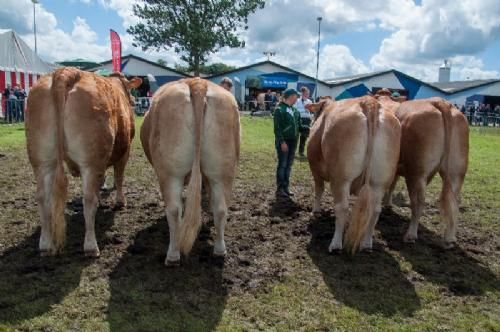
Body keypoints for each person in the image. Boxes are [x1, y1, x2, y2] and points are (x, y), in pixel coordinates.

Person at [273, 88, 300, 197]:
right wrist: (282, 142)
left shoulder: (295, 111)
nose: (297, 99)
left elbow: (299, 126)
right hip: (284, 141)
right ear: (291, 96)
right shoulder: (279, 109)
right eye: (296, 96)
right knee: (283, 165)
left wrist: (309, 129)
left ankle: (286, 187)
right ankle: (280, 188)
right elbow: (277, 129)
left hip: (293, 141)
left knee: (288, 165)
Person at [294, 86, 312, 157]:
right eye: (306, 93)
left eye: (308, 94)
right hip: (299, 119)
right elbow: (295, 110)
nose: (307, 95)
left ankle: (301, 152)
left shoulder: (309, 101)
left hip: (307, 119)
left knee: (304, 137)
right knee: (295, 136)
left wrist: (309, 110)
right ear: (302, 93)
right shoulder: (297, 101)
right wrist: (304, 110)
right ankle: (293, 151)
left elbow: (311, 111)